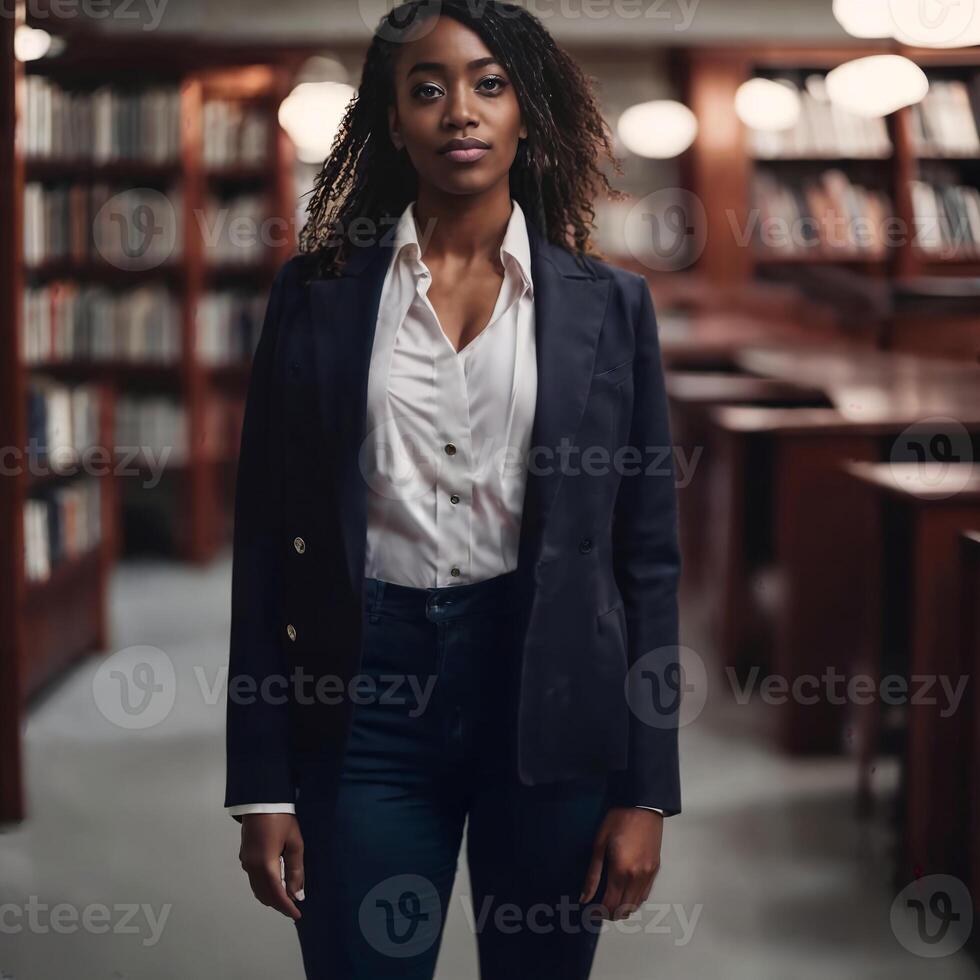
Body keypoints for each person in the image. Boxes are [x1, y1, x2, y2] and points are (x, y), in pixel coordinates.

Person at [224, 1, 681, 977]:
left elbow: (646, 558)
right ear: (392, 121)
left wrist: (645, 789)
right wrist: (259, 782)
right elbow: (264, 540)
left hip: (549, 684)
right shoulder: (314, 294)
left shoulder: (613, 305)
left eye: (487, 84)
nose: (458, 111)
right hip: (365, 687)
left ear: (526, 112)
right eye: (425, 89)